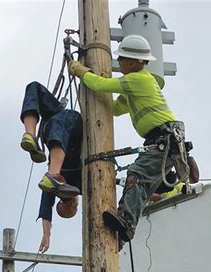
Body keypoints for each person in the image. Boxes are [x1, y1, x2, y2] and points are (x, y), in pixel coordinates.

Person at [68, 34, 195, 247]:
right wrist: (93, 90)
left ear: (136, 61)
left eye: (123, 58)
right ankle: (120, 235)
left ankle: (126, 222)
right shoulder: (136, 85)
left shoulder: (139, 79)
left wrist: (82, 72)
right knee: (142, 182)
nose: (120, 62)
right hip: (165, 141)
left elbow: (100, 85)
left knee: (137, 174)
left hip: (162, 139)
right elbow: (116, 109)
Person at [19, 81, 83, 253]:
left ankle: (30, 135)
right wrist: (46, 234)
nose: (77, 204)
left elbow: (45, 207)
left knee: (35, 90)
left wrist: (47, 235)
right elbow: (45, 207)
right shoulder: (85, 185)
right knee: (34, 88)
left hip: (63, 128)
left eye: (75, 207)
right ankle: (30, 134)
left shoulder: (79, 185)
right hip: (59, 129)